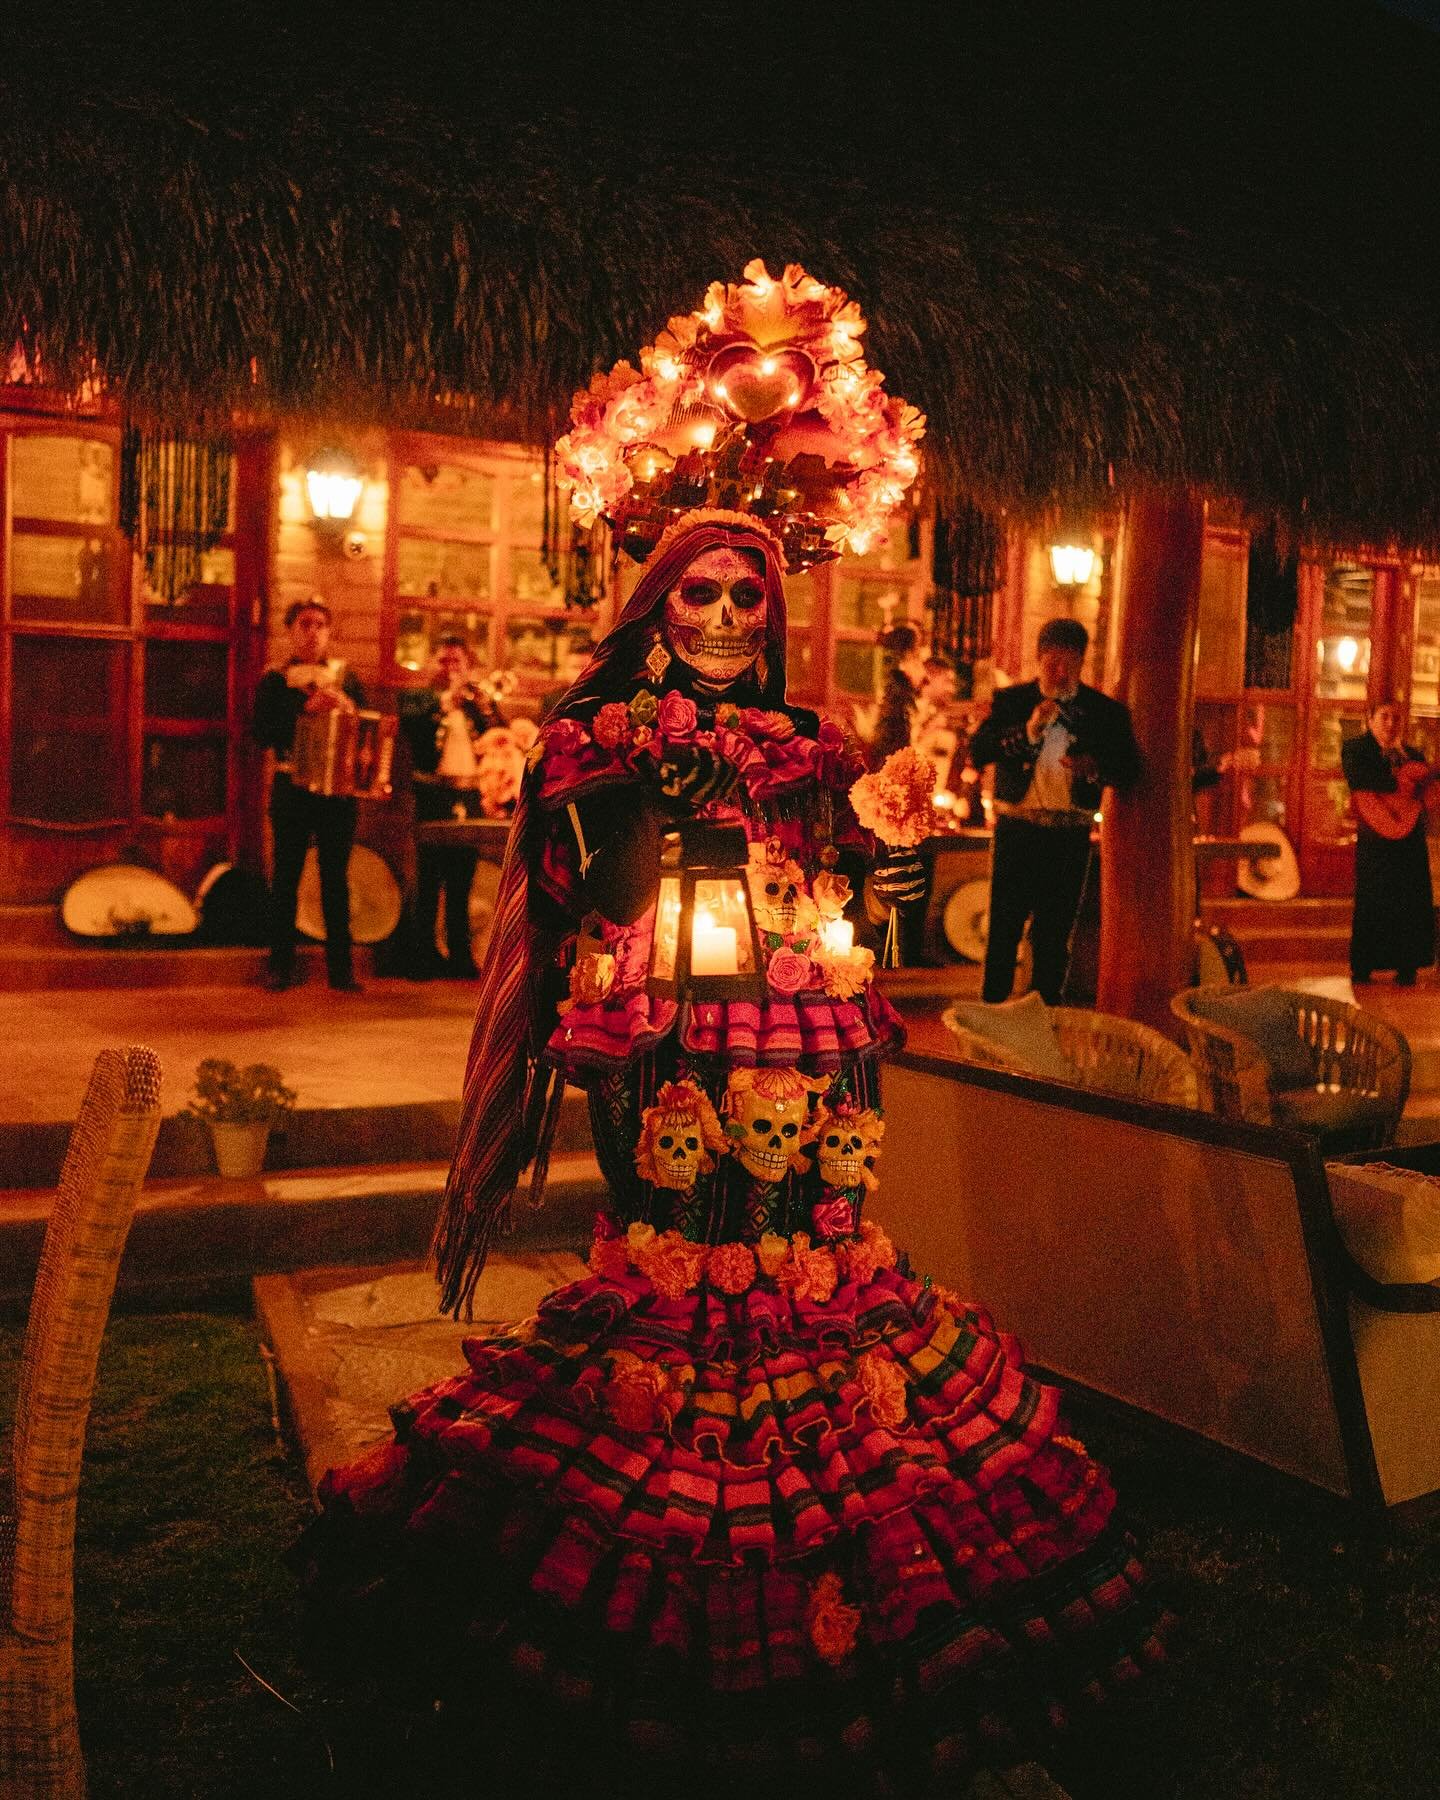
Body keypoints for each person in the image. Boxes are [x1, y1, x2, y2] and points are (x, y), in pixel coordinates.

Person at [296, 266, 1166, 1791]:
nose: (713, 614)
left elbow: (859, 900)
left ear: (772, 614)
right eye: (692, 591)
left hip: (809, 1043)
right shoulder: (598, 732)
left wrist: (885, 867)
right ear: (656, 601)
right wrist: (635, 818)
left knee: (812, 1264)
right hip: (656, 1044)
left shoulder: (811, 743)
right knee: (677, 1261)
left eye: (742, 595)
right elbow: (573, 886)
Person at [968, 618, 1141, 1004]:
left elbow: (1130, 769)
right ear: (1038, 659)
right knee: (1003, 929)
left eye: (1069, 662)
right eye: (1052, 662)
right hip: (1016, 827)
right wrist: (1028, 732)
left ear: (1082, 662)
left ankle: (1045, 1018)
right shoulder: (1011, 701)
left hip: (1069, 833)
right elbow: (979, 751)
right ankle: (990, 1016)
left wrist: (1094, 767)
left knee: (1054, 933)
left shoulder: (1103, 712)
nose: (1060, 671)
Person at [251, 597, 367, 993]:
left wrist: (347, 707)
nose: (313, 631)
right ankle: (280, 967)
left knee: (336, 880)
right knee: (286, 879)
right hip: (292, 788)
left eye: (320, 624)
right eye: (305, 624)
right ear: (291, 631)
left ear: (329, 632)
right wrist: (304, 711)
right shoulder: (274, 679)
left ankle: (342, 971)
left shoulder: (346, 677)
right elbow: (261, 733)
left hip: (337, 793)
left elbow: (366, 728)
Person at [397, 635, 501, 981]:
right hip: (432, 795)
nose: (451, 668)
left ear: (469, 666)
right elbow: (411, 726)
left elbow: (498, 735)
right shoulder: (419, 698)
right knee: (428, 878)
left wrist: (483, 704)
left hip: (469, 796)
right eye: (444, 661)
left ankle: (459, 955)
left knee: (462, 879)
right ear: (432, 664)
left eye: (458, 662)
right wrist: (444, 702)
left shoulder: (476, 702)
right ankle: (421, 957)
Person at [1342, 698, 1436, 986]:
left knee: (1409, 899)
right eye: (1384, 717)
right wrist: (1402, 780)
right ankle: (1364, 966)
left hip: (1409, 839)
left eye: (1396, 718)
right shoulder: (1356, 749)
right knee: (1374, 898)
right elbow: (1359, 779)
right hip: (1375, 839)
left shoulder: (1413, 753)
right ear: (1370, 719)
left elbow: (1428, 791)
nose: (1390, 724)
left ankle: (1406, 966)